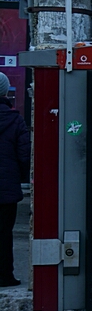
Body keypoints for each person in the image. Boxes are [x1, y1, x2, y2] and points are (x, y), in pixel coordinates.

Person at [0, 72, 30, 287]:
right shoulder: (15, 120)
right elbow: (25, 156)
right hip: (6, 188)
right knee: (4, 233)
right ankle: (4, 276)